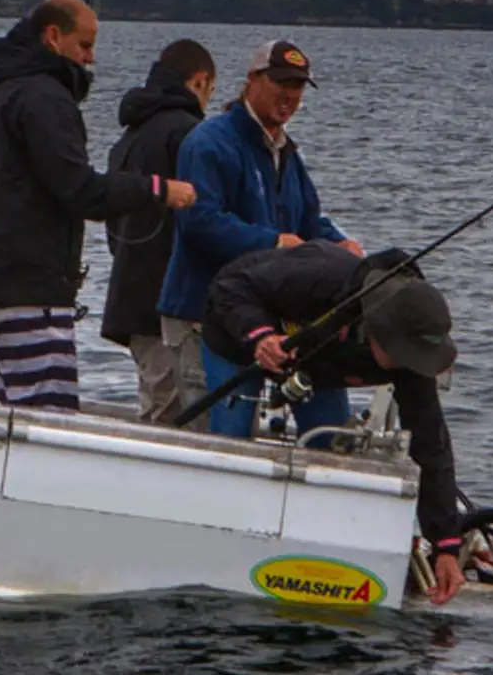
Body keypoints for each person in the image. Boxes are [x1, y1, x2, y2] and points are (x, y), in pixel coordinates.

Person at [0, 0, 197, 412]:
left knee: (9, 409)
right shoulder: (44, 98)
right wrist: (157, 189)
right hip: (28, 284)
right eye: (84, 45)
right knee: (48, 414)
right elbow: (82, 191)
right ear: (52, 37)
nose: (91, 58)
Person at [199, 241, 466, 605]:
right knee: (232, 440)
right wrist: (259, 335)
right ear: (376, 331)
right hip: (238, 331)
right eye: (401, 355)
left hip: (316, 364)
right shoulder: (320, 279)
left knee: (326, 456)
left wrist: (447, 544)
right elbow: (229, 288)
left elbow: (430, 444)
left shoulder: (410, 361)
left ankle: (304, 557)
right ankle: (217, 544)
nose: (406, 364)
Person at [155, 39, 363, 435]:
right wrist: (273, 244)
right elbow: (199, 222)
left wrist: (341, 245)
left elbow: (308, 220)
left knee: (330, 424)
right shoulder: (209, 142)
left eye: (299, 86)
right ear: (252, 80)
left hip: (269, 318)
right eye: (281, 82)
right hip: (199, 315)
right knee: (212, 440)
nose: (290, 95)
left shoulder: (287, 153)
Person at [98, 39, 217, 430]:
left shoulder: (129, 136)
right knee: (175, 415)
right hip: (169, 302)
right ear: (199, 83)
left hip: (129, 296)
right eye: (210, 91)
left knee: (155, 401)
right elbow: (204, 216)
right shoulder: (188, 133)